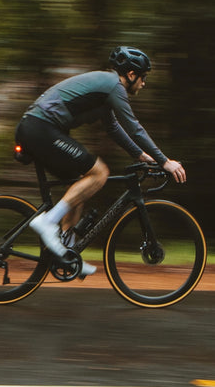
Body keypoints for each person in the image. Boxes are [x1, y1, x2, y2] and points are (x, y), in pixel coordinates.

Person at [15, 46, 186, 278]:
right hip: (40, 129)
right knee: (99, 173)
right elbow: (134, 127)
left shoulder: (106, 91)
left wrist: (140, 155)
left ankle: (65, 252)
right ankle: (48, 222)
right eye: (143, 77)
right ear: (131, 74)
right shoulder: (114, 86)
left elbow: (113, 127)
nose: (144, 83)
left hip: (39, 129)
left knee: (79, 187)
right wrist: (164, 161)